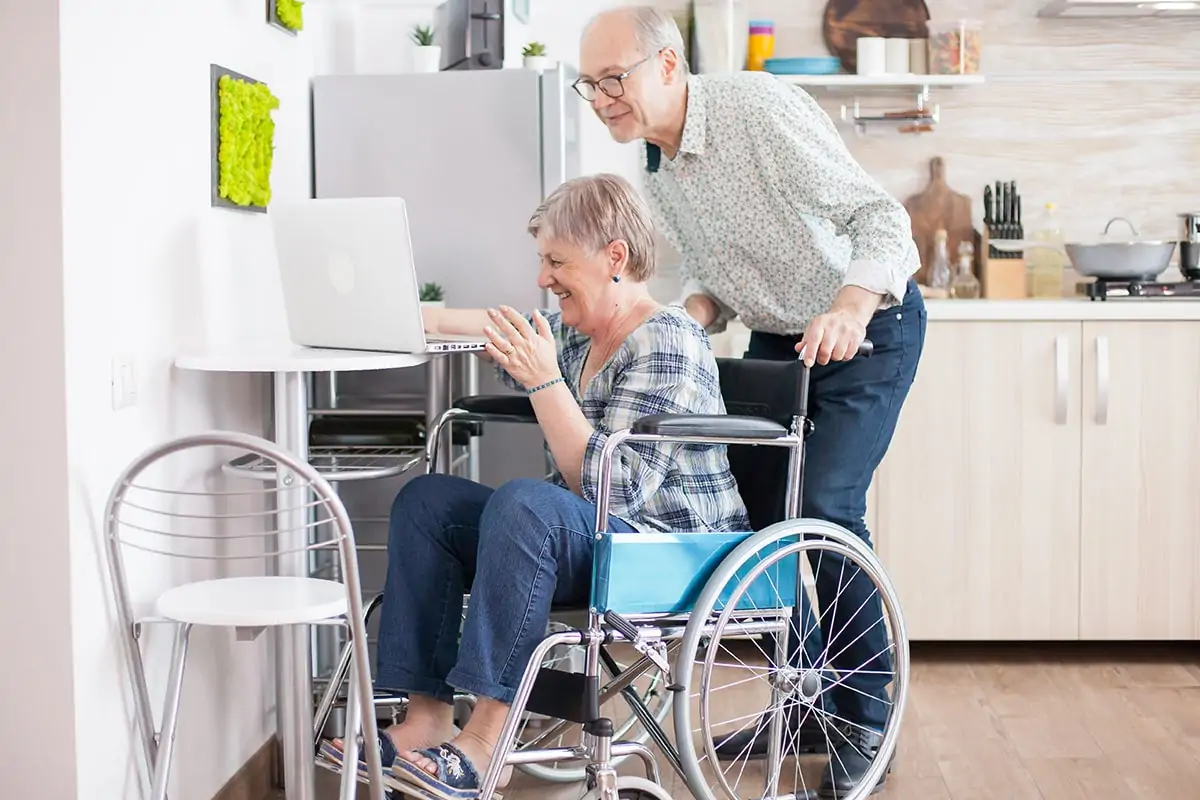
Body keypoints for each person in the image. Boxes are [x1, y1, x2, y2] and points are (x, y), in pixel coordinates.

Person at [577, 6, 927, 795]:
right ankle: (806, 702)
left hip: (869, 325)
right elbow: (719, 285)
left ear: (667, 66)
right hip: (781, 340)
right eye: (589, 85)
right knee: (762, 521)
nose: (601, 99)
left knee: (827, 509)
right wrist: (684, 317)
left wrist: (849, 306)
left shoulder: (760, 112)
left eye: (613, 80)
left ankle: (868, 717)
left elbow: (883, 220)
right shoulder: (654, 172)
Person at [321, 172, 751, 798]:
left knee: (527, 505)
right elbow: (471, 320)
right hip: (585, 537)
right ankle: (424, 720)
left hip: (664, 551)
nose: (543, 277)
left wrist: (545, 382)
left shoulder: (667, 337)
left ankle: (482, 747)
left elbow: (618, 491)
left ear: (615, 258)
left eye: (556, 261)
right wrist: (378, 316)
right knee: (428, 501)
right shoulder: (578, 331)